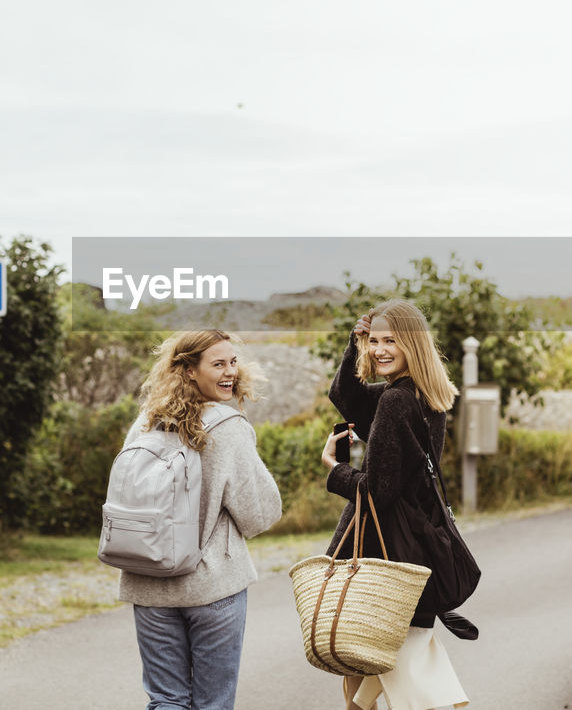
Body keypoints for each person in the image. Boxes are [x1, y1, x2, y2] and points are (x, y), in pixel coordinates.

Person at [119, 329, 283, 710]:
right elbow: (260, 514)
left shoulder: (146, 421)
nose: (231, 372)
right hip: (212, 587)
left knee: (166, 700)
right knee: (213, 704)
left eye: (233, 362)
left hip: (148, 579)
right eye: (219, 364)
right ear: (190, 371)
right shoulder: (228, 427)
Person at [320, 299, 470, 710]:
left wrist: (334, 469)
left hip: (380, 555)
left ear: (413, 344)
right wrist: (354, 344)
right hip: (413, 549)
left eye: (391, 341)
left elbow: (378, 491)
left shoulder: (395, 401)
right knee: (388, 668)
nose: (379, 349)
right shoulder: (424, 396)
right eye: (374, 340)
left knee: (374, 665)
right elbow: (345, 396)